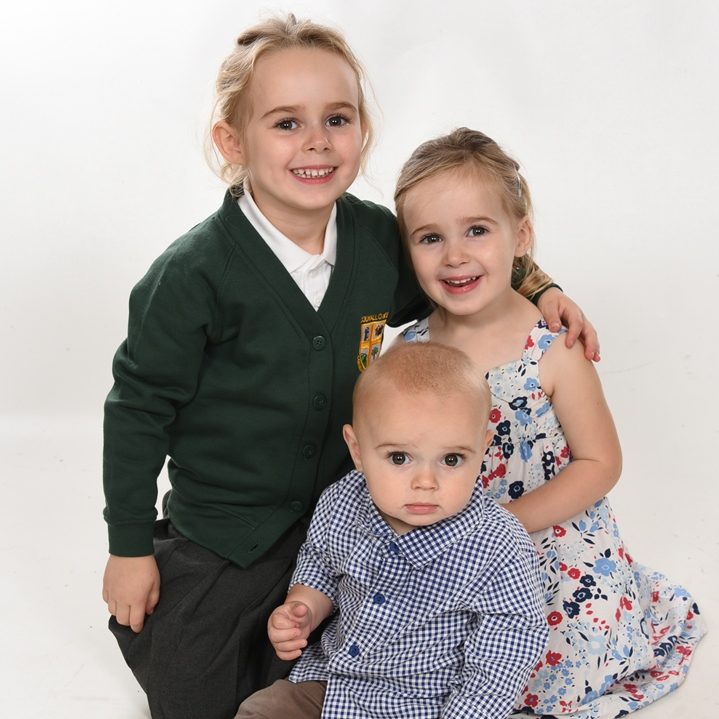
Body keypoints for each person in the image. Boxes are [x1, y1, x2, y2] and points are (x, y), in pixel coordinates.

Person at [101, 15, 594, 719]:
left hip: (351, 517)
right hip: (228, 526)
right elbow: (137, 410)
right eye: (286, 123)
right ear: (232, 142)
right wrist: (126, 548)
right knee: (194, 699)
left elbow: (456, 269)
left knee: (379, 660)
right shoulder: (192, 274)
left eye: (337, 118)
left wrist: (540, 287)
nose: (317, 142)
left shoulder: (373, 240)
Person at [395, 127, 707, 717]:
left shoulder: (552, 347)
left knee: (558, 649)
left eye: (477, 230)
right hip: (450, 538)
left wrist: (503, 525)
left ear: (521, 237)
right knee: (411, 639)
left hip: (547, 536)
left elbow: (600, 462)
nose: (455, 255)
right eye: (431, 238)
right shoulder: (412, 352)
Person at [236, 342, 549, 719]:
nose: (426, 481)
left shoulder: (498, 544)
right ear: (357, 450)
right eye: (399, 458)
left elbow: (503, 659)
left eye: (451, 459)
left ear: (481, 451)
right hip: (333, 685)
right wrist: (302, 609)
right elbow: (320, 565)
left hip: (424, 705)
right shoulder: (343, 500)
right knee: (265, 709)